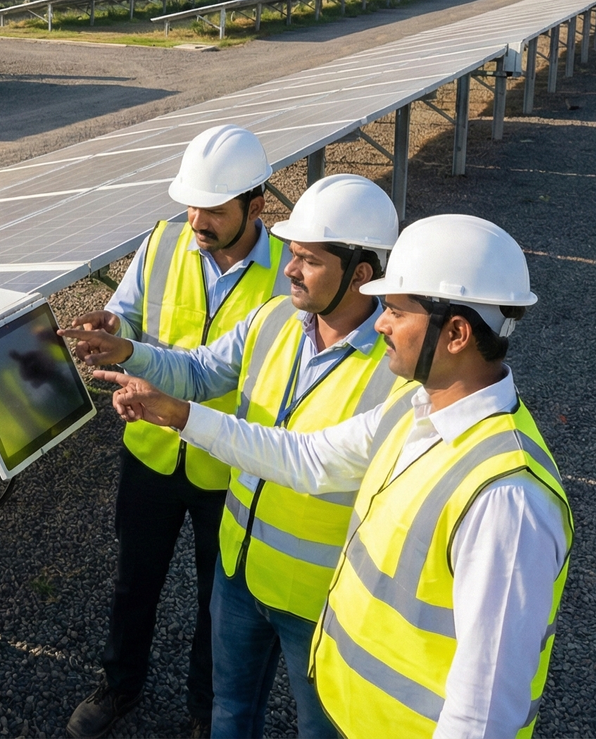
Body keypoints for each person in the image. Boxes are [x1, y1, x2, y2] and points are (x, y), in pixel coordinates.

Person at [96, 215, 573, 739]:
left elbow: (485, 717)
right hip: (350, 702)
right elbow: (303, 457)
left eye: (395, 310)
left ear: (456, 333)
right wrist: (181, 415)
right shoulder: (415, 412)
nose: (383, 324)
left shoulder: (506, 497)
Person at [63, 174, 401, 739]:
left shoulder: (395, 372)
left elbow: (307, 460)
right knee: (230, 712)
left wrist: (182, 416)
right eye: (293, 256)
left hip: (314, 597)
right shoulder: (273, 321)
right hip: (240, 564)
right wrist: (130, 351)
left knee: (320, 728)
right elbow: (197, 370)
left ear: (362, 274)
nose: (291, 270)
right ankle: (129, 688)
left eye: (309, 261)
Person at [63, 124, 289, 739]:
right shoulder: (163, 242)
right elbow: (130, 312)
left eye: (214, 210)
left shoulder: (286, 278)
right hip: (152, 451)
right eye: (191, 205)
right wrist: (113, 320)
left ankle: (204, 708)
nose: (197, 220)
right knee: (134, 580)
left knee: (220, 603)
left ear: (256, 204)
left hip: (228, 463)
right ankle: (119, 686)